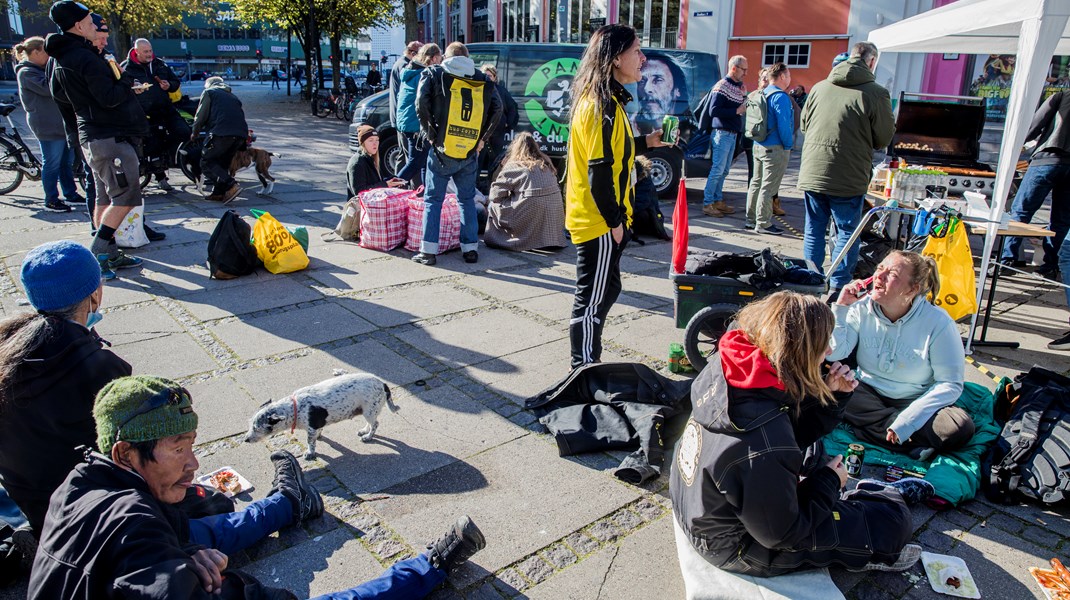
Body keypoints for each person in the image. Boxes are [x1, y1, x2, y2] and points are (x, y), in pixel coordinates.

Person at [28, 374, 486, 599]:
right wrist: (197, 573)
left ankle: (287, 503)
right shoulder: (142, 536)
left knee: (202, 533)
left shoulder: (80, 485)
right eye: (177, 447)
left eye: (192, 444)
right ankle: (428, 567)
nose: (194, 464)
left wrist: (183, 552)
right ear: (126, 454)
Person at [671, 291, 930, 581]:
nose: (830, 352)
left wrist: (830, 396)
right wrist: (830, 483)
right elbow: (783, 534)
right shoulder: (764, 442)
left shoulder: (737, 359)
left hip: (697, 507)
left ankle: (866, 496)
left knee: (813, 457)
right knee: (891, 525)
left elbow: (780, 424)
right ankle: (876, 502)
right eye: (824, 344)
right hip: (735, 545)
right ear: (799, 350)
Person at [0, 241, 131, 538]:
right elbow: (126, 449)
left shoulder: (8, 345)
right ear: (94, 294)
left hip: (25, 496)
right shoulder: (100, 366)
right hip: (80, 506)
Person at [565, 24, 668, 369]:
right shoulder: (601, 106)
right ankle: (583, 372)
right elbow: (598, 173)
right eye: (637, 51)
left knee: (606, 292)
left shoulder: (608, 102)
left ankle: (586, 366)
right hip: (599, 222)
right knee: (591, 301)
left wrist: (645, 144)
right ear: (614, 59)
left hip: (603, 220)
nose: (643, 58)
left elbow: (612, 154)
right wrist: (615, 223)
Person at [831, 251, 973, 460]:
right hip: (865, 392)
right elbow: (836, 352)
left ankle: (876, 432)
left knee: (958, 426)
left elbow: (950, 383)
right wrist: (841, 308)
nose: (879, 276)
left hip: (916, 400)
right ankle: (906, 441)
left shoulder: (938, 323)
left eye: (892, 274)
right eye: (880, 268)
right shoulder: (860, 308)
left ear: (912, 290)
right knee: (823, 386)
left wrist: (908, 420)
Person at [45, 0, 146, 280]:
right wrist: (125, 82)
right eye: (91, 23)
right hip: (107, 135)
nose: (95, 27)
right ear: (78, 26)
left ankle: (109, 252)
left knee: (105, 195)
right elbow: (109, 98)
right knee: (126, 196)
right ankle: (98, 252)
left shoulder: (65, 55)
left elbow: (65, 96)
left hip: (92, 133)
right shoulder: (84, 58)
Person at [798, 41, 895, 301]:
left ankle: (810, 283)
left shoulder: (820, 87)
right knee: (847, 232)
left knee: (814, 228)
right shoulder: (876, 93)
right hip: (849, 174)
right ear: (872, 61)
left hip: (814, 171)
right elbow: (884, 137)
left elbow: (804, 126)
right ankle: (839, 288)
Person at [411, 42, 502, 266]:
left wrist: (431, 134)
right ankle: (470, 249)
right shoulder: (482, 78)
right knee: (466, 200)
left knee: (433, 200)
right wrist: (482, 139)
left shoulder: (434, 73)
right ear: (467, 57)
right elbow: (497, 108)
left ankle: (428, 251)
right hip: (469, 149)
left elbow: (420, 103)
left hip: (442, 148)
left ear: (446, 57)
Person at [999, 90, 1070, 280]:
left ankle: (1007, 260)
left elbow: (1035, 125)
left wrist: (1018, 144)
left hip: (1047, 159)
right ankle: (1049, 266)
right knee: (1061, 220)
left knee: (1021, 211)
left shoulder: (1062, 95)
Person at [14, 36, 82, 213]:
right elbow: (48, 88)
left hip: (60, 123)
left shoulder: (43, 69)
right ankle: (51, 198)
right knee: (51, 163)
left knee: (65, 163)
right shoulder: (26, 72)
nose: (50, 56)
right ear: (35, 52)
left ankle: (70, 193)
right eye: (46, 52)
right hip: (47, 125)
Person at [121, 38, 188, 193]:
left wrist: (169, 85)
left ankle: (168, 158)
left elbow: (175, 82)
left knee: (184, 132)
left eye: (150, 50)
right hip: (144, 113)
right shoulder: (127, 68)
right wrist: (133, 89)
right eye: (145, 52)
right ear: (136, 52)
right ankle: (160, 176)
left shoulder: (159, 64)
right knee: (152, 142)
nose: (149, 54)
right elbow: (121, 89)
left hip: (165, 109)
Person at [484, 132, 567, 251]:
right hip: (554, 217)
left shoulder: (515, 165)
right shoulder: (546, 163)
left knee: (493, 205)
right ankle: (545, 238)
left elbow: (494, 195)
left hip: (530, 212)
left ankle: (505, 237)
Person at [745, 62, 793, 236]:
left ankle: (751, 220)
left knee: (756, 183)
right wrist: (788, 146)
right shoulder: (780, 97)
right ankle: (763, 223)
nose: (789, 79)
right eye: (788, 76)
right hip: (774, 146)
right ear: (781, 76)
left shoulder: (761, 93)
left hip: (758, 144)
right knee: (768, 186)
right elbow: (784, 125)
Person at [700, 55, 748, 218]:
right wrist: (736, 111)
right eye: (744, 69)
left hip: (732, 134)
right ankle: (708, 203)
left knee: (724, 170)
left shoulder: (739, 86)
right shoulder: (722, 86)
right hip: (722, 133)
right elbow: (713, 111)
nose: (745, 73)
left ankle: (717, 200)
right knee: (718, 169)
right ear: (734, 68)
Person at [191, 76, 247, 203]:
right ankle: (218, 193)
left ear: (208, 85)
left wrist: (194, 132)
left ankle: (230, 184)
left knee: (207, 162)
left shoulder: (209, 92)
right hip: (239, 135)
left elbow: (200, 116)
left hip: (221, 133)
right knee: (222, 164)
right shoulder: (233, 97)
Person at [395, 43, 442, 187]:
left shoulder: (411, 71)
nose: (440, 61)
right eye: (439, 58)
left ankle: (422, 194)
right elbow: (425, 101)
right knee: (415, 163)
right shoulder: (424, 74)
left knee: (422, 162)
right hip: (416, 125)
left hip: (407, 122)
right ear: (433, 58)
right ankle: (388, 189)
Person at [479, 64, 519, 179]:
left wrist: (508, 123)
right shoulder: (478, 89)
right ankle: (475, 187)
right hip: (481, 133)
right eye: (485, 75)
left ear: (495, 77)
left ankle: (493, 186)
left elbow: (512, 108)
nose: (487, 78)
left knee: (495, 162)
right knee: (478, 161)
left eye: (490, 76)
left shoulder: (501, 91)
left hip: (496, 133)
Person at [636, 54, 691, 134]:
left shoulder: (693, 133)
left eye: (658, 80)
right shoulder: (630, 128)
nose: (646, 89)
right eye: (642, 81)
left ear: (677, 89)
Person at [347, 125, 405, 197]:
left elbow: (375, 182)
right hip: (360, 206)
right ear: (363, 143)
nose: (375, 144)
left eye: (377, 140)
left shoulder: (373, 158)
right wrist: (386, 184)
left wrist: (391, 181)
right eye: (370, 140)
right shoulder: (357, 162)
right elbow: (359, 192)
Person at [389, 41, 422, 130]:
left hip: (400, 114)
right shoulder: (406, 66)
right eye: (422, 54)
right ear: (413, 53)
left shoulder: (400, 62)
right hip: (403, 114)